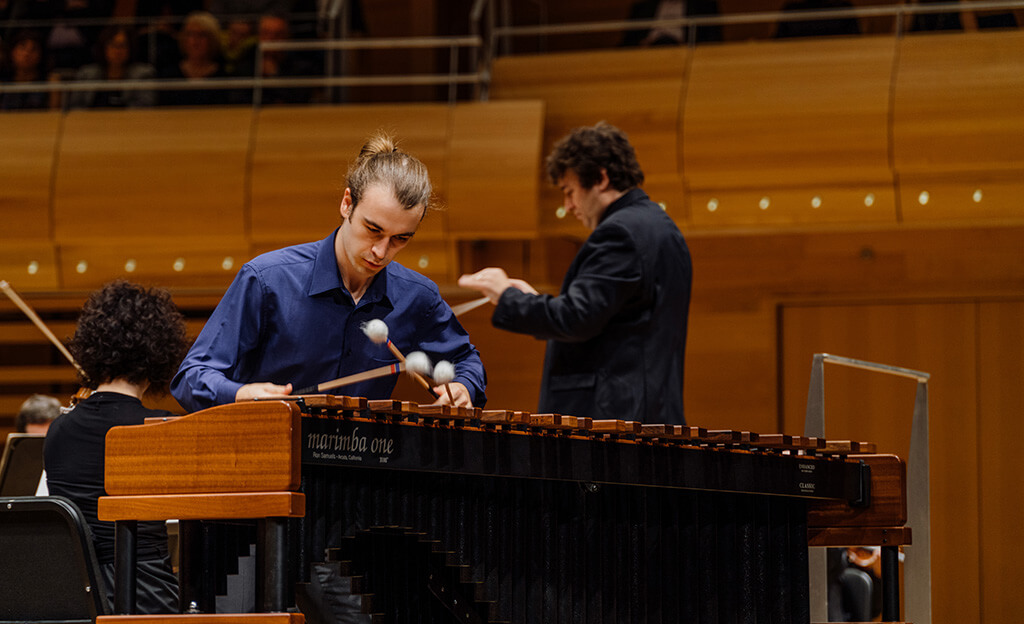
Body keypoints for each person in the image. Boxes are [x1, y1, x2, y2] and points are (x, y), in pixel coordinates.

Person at [171, 131, 487, 412]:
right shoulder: (268, 280)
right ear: (347, 204)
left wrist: (463, 387)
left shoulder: (417, 297)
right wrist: (241, 393)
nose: (381, 251)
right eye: (373, 230)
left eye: (400, 239)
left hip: (362, 470)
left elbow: (466, 361)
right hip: (272, 464)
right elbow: (191, 377)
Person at [459, 122, 691, 425]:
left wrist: (508, 297)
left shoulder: (620, 234)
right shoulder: (661, 227)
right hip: (647, 413)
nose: (567, 206)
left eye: (569, 192)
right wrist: (533, 300)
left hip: (613, 422)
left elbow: (576, 318)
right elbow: (606, 316)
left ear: (601, 178)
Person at [44, 280, 188, 614]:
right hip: (146, 594)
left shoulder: (58, 430)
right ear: (158, 355)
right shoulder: (161, 428)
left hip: (79, 600)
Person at [69, 25, 157, 109]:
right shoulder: (86, 74)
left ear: (130, 48)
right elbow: (76, 106)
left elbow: (145, 106)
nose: (117, 51)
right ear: (103, 48)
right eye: (112, 45)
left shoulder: (143, 74)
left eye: (122, 46)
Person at [158, 10, 229, 106]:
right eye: (190, 34)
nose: (195, 41)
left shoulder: (224, 77)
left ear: (212, 39)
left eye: (202, 35)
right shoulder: (169, 75)